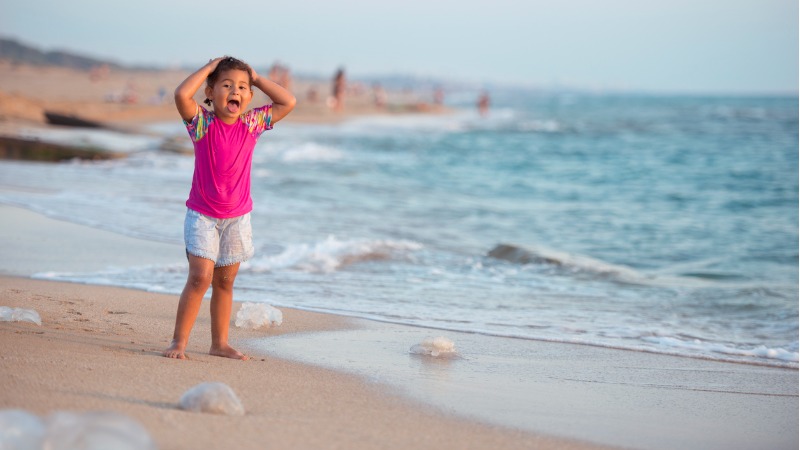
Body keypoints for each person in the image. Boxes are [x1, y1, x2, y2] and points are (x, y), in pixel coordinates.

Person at [163, 56, 296, 360]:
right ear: (210, 92)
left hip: (237, 218)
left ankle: (219, 344)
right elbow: (181, 94)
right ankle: (178, 342)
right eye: (226, 85)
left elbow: (288, 101)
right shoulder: (201, 123)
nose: (235, 90)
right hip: (202, 216)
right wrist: (209, 69)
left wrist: (257, 78)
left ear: (249, 96)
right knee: (200, 277)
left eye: (242, 87)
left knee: (225, 281)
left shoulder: (252, 124)